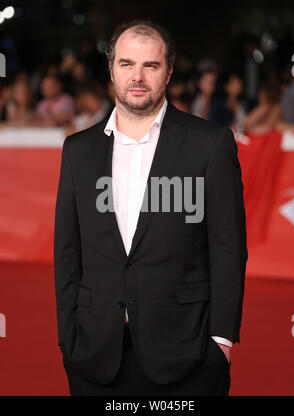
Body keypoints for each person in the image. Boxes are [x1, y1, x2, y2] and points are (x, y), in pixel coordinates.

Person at [54, 19, 248, 396]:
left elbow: (228, 247)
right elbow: (67, 251)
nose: (137, 76)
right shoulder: (77, 151)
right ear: (111, 69)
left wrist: (221, 341)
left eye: (151, 66)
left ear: (169, 72)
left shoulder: (209, 143)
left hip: (187, 354)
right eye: (126, 64)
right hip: (94, 355)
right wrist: (69, 338)